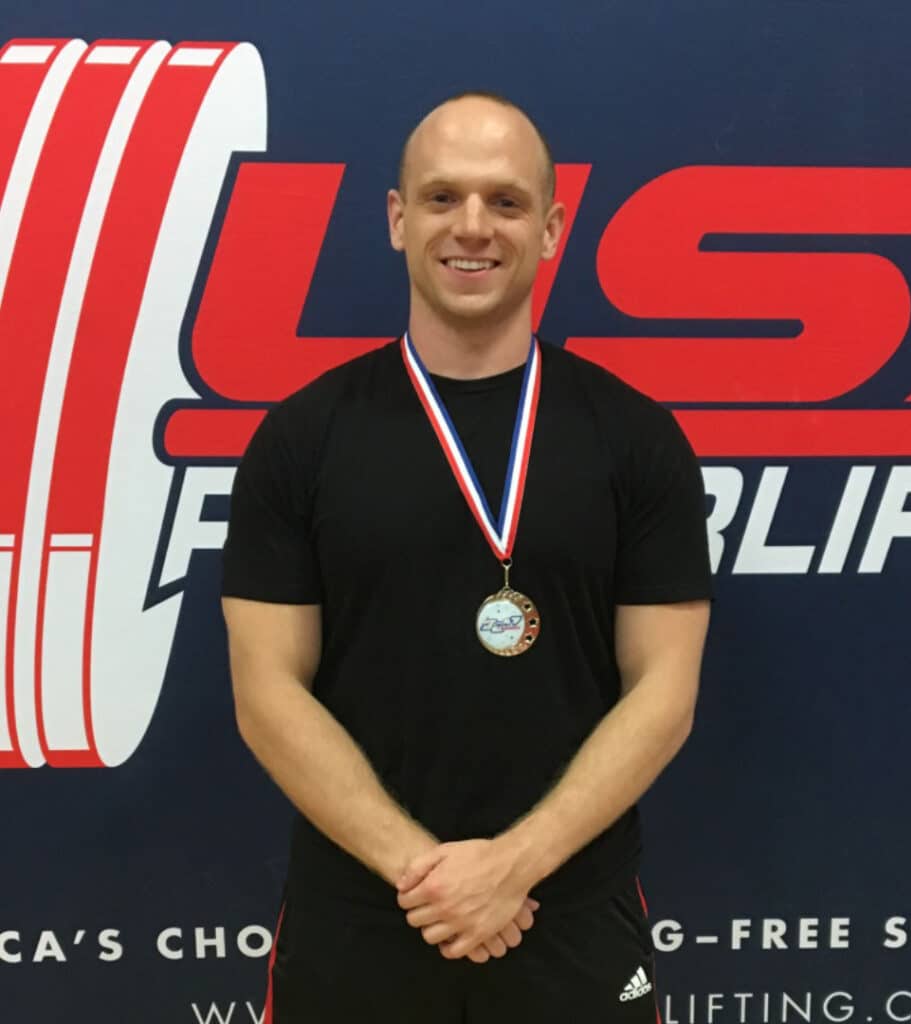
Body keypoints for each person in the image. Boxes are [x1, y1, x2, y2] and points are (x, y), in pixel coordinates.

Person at [221, 91, 712, 1023]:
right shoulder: (301, 439)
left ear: (555, 227)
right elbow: (266, 692)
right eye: (442, 198)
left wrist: (512, 867)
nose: (473, 227)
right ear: (399, 220)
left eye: (507, 201)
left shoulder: (636, 439)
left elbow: (665, 693)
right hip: (364, 913)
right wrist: (433, 877)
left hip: (566, 912)